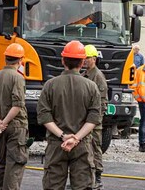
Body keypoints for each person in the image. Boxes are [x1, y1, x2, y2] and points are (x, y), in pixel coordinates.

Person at [38, 40, 101, 190]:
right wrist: (76, 138)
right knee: (83, 186)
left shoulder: (50, 85)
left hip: (56, 144)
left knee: (52, 186)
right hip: (82, 145)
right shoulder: (91, 87)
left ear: (62, 60)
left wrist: (62, 136)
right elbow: (93, 118)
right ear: (82, 62)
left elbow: (44, 116)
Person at [0, 43, 29, 190]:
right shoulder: (18, 78)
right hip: (16, 127)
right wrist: (5, 122)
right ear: (20, 60)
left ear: (5, 58)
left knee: (2, 165)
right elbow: (17, 105)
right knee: (15, 165)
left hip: (1, 128)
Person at [83, 44, 108, 189]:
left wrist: (96, 120)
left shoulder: (97, 76)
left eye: (88, 58)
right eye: (84, 58)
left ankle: (97, 179)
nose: (85, 60)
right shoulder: (85, 75)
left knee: (95, 148)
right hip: (85, 120)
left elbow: (102, 101)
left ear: (94, 59)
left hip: (93, 121)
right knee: (86, 150)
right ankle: (87, 180)